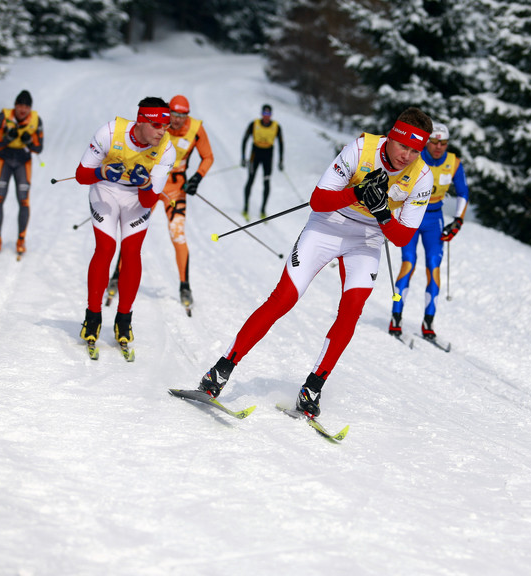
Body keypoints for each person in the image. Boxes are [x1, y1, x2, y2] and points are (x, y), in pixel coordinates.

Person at [195, 107, 434, 417]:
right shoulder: (362, 148)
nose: (407, 156)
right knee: (283, 299)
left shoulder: (422, 177)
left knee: (351, 312)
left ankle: (312, 389)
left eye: (416, 150)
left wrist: (383, 212)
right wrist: (357, 192)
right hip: (328, 224)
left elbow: (402, 238)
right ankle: (219, 372)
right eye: (403, 146)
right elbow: (318, 200)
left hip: (368, 238)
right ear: (391, 136)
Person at [74, 97, 175, 349]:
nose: (162, 132)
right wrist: (102, 172)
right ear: (141, 121)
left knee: (131, 253)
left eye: (166, 126)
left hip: (136, 198)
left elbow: (150, 198)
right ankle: (93, 318)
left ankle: (123, 320)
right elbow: (80, 175)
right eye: (157, 126)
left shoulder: (166, 149)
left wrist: (144, 183)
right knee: (106, 249)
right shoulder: (109, 133)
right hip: (105, 190)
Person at [104, 95, 215, 311]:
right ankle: (117, 276)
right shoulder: (159, 126)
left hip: (176, 189)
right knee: (132, 231)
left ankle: (185, 286)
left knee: (178, 233)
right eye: (173, 114)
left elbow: (208, 157)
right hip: (151, 186)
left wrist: (197, 178)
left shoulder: (196, 130)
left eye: (182, 116)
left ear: (187, 115)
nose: (176, 120)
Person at [389, 122, 468, 341]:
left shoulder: (453, 163)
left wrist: (458, 221)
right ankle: (396, 316)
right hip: (412, 214)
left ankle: (429, 322)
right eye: (434, 142)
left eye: (443, 143)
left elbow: (463, 193)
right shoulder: (414, 156)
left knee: (433, 268)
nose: (439, 147)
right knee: (408, 263)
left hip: (435, 218)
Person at [0, 90, 44, 258]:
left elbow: (39, 148)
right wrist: (7, 139)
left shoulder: (36, 121)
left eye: (26, 106)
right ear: (15, 105)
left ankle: (21, 240)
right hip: (3, 160)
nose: (23, 109)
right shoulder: (2, 117)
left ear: (30, 108)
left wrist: (28, 142)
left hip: (22, 162)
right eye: (20, 105)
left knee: (23, 200)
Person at [240, 103, 284, 220]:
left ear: (271, 115)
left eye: (268, 113)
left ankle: (263, 210)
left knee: (266, 182)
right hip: (255, 154)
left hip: (268, 155)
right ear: (261, 114)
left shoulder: (276, 126)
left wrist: (280, 160)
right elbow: (244, 140)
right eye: (264, 113)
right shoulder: (254, 124)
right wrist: (243, 157)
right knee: (251, 180)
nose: (266, 116)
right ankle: (245, 207)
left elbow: (281, 144)